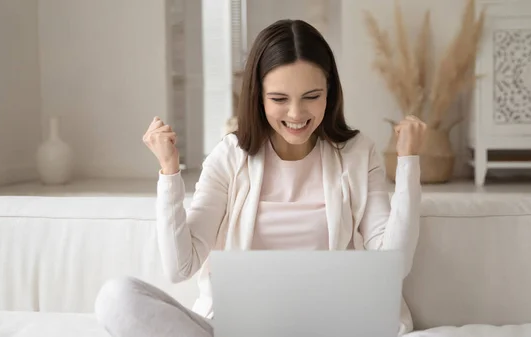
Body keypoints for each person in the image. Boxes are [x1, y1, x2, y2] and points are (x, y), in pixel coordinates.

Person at [94, 19, 425, 337]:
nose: (296, 114)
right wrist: (169, 171)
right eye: (279, 99)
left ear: (330, 93)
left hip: (329, 328)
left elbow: (393, 265)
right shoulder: (229, 157)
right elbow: (180, 266)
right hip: (240, 329)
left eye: (311, 96)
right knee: (116, 298)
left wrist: (408, 162)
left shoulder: (357, 154)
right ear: (257, 97)